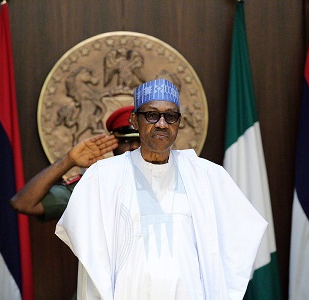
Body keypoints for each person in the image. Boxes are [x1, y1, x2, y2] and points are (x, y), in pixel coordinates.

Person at [55, 78, 268, 299]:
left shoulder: (207, 176)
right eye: (152, 115)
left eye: (171, 116)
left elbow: (241, 236)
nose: (162, 124)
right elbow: (88, 246)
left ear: (178, 122)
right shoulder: (103, 177)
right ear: (134, 121)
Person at [10, 105, 140, 221]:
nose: (134, 146)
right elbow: (22, 203)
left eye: (140, 141)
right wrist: (68, 160)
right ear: (113, 144)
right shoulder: (95, 186)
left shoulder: (160, 181)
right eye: (126, 141)